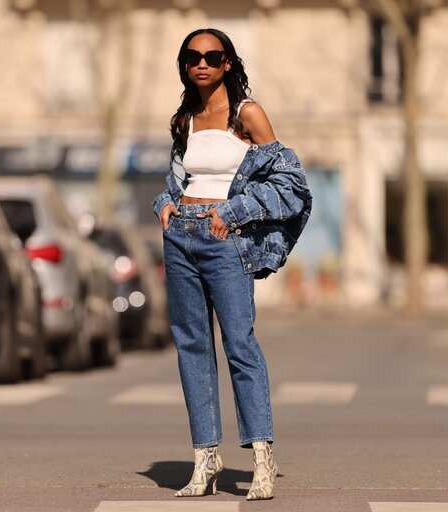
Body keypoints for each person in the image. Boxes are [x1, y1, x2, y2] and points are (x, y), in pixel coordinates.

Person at [152, 28, 312, 501]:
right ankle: (206, 458)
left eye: (212, 56)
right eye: (192, 56)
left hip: (227, 241)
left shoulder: (248, 114)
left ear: (227, 63)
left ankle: (262, 458)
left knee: (240, 344)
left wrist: (234, 212)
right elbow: (180, 179)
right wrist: (164, 202)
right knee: (192, 347)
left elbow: (291, 183)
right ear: (184, 64)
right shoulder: (186, 119)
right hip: (181, 237)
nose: (202, 63)